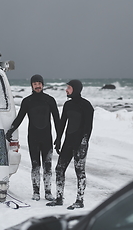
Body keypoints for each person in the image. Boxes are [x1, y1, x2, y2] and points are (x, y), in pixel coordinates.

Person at [6, 74, 59, 201]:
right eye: (35, 84)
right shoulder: (27, 101)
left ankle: (47, 192)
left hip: (47, 138)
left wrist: (59, 137)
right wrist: (11, 130)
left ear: (43, 84)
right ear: (31, 86)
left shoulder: (50, 100)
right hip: (33, 138)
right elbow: (20, 118)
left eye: (39, 83)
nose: (37, 86)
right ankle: (36, 192)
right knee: (35, 165)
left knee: (48, 165)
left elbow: (57, 120)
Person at [46, 79, 94, 210]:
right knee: (59, 169)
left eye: (69, 87)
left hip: (80, 144)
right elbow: (62, 124)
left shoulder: (86, 106)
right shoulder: (68, 105)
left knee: (80, 172)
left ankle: (80, 200)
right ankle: (59, 198)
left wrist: (84, 143)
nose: (66, 90)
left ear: (76, 89)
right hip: (68, 142)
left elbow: (88, 127)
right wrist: (58, 139)